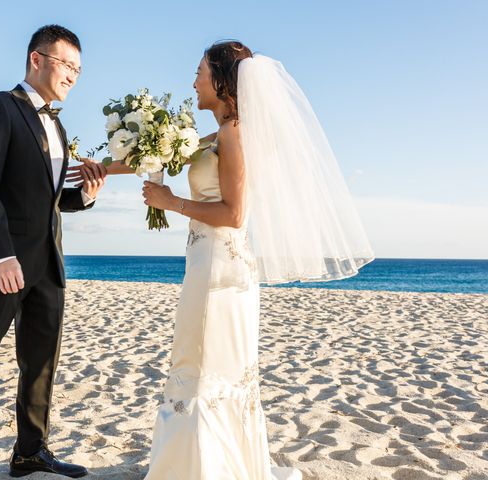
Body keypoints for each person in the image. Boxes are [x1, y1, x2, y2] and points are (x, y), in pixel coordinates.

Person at [70, 40, 373, 479]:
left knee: (205, 363)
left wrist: (171, 202)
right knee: (199, 360)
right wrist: (96, 166)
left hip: (221, 269)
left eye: (199, 72)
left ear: (221, 80)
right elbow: (159, 157)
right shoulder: (218, 132)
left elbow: (234, 214)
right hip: (204, 261)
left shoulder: (235, 134)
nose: (193, 81)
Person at [0, 25, 106, 480]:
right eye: (66, 63)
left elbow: (48, 199)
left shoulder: (60, 124)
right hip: (2, 263)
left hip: (49, 264)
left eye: (78, 69)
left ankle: (30, 451)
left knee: (41, 362)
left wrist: (85, 195)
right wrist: (1, 254)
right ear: (36, 58)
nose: (72, 74)